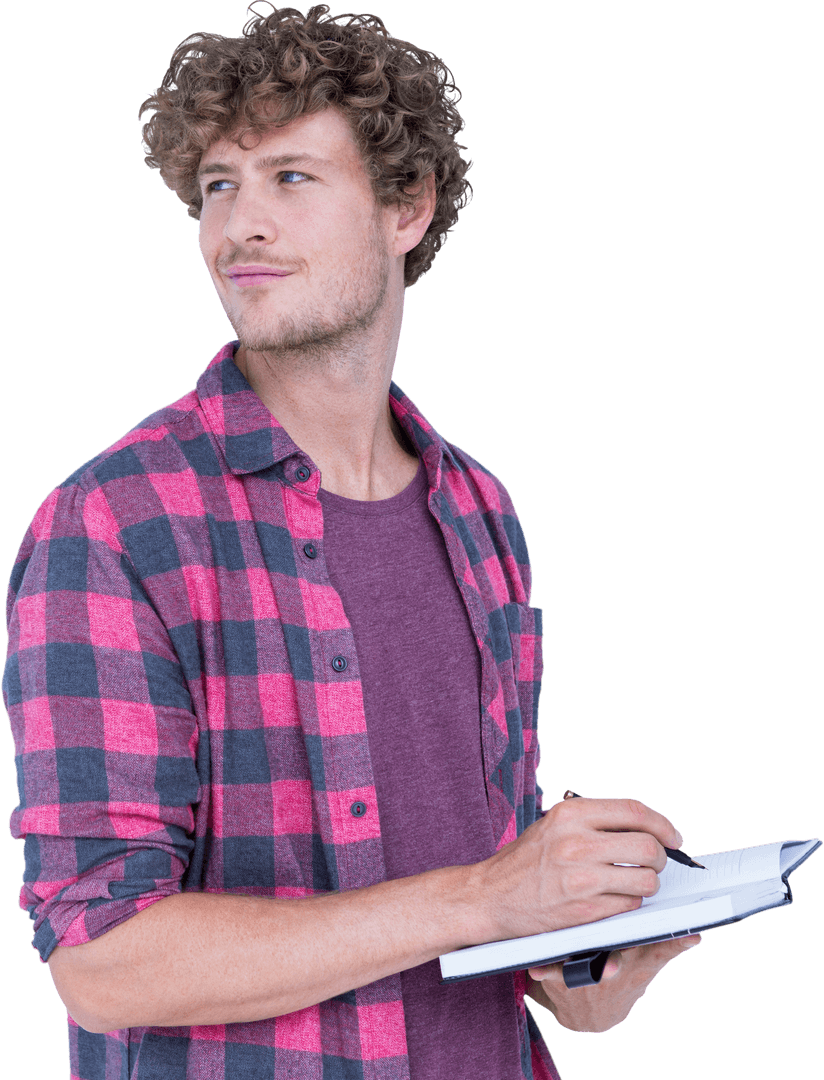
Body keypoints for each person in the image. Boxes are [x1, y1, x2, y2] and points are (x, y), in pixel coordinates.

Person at [3, 5, 701, 1078]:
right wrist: (482, 895)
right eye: (219, 185)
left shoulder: (479, 512)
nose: (238, 225)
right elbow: (102, 961)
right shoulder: (114, 525)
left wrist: (577, 963)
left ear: (405, 207)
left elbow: (484, 899)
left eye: (289, 178)